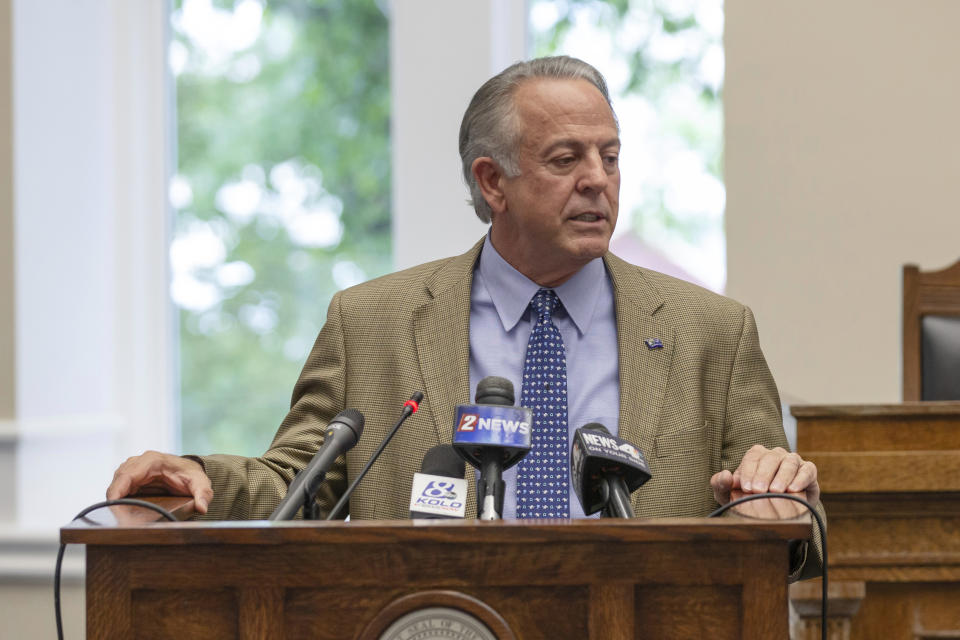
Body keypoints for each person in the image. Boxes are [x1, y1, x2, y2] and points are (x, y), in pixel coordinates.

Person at [108, 56, 823, 580]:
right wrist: (192, 479)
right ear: (492, 182)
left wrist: (787, 513)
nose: (597, 180)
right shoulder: (373, 323)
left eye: (609, 157)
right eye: (566, 159)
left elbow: (788, 529)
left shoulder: (713, 332)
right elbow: (303, 486)